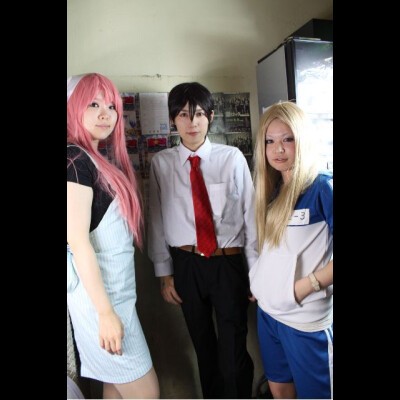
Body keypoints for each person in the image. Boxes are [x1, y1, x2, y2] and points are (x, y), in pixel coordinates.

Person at [147, 82, 258, 399]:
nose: (191, 122)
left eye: (198, 114)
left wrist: (256, 272)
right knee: (203, 348)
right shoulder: (161, 163)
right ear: (173, 120)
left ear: (210, 117)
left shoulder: (231, 158)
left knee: (233, 352)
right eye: (183, 115)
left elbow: (251, 216)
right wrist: (164, 273)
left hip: (228, 263)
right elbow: (156, 219)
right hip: (186, 265)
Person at [67, 73, 159, 399]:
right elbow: (77, 241)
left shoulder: (91, 159)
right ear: (72, 107)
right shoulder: (75, 159)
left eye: (111, 106)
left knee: (114, 389)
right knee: (147, 393)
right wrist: (105, 314)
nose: (105, 113)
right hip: (101, 304)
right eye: (93, 104)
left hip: (116, 299)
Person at [249, 101, 333, 399]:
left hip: (305, 320)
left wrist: (305, 286)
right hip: (269, 315)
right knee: (280, 390)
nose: (278, 149)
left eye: (288, 139)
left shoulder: (322, 188)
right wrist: (261, 282)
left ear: (303, 139)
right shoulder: (272, 189)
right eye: (270, 141)